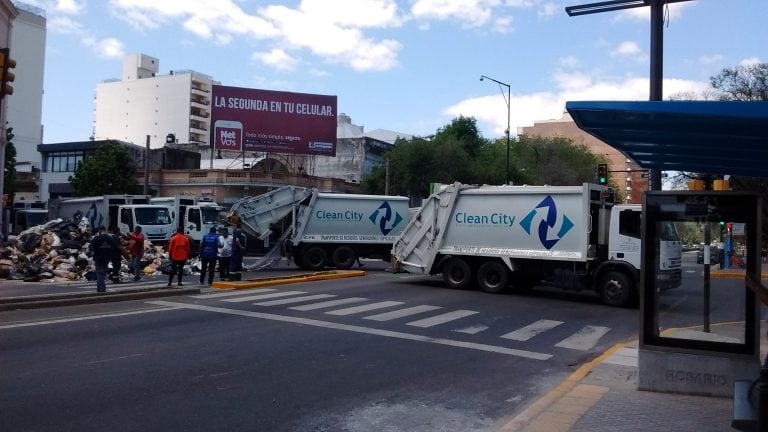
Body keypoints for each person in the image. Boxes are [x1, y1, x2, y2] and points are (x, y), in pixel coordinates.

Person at [89, 225, 118, 293]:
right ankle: (99, 288)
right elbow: (114, 248)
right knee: (103, 272)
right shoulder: (110, 238)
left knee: (99, 272)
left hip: (98, 257)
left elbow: (91, 247)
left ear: (99, 230)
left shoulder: (96, 238)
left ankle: (102, 288)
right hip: (107, 258)